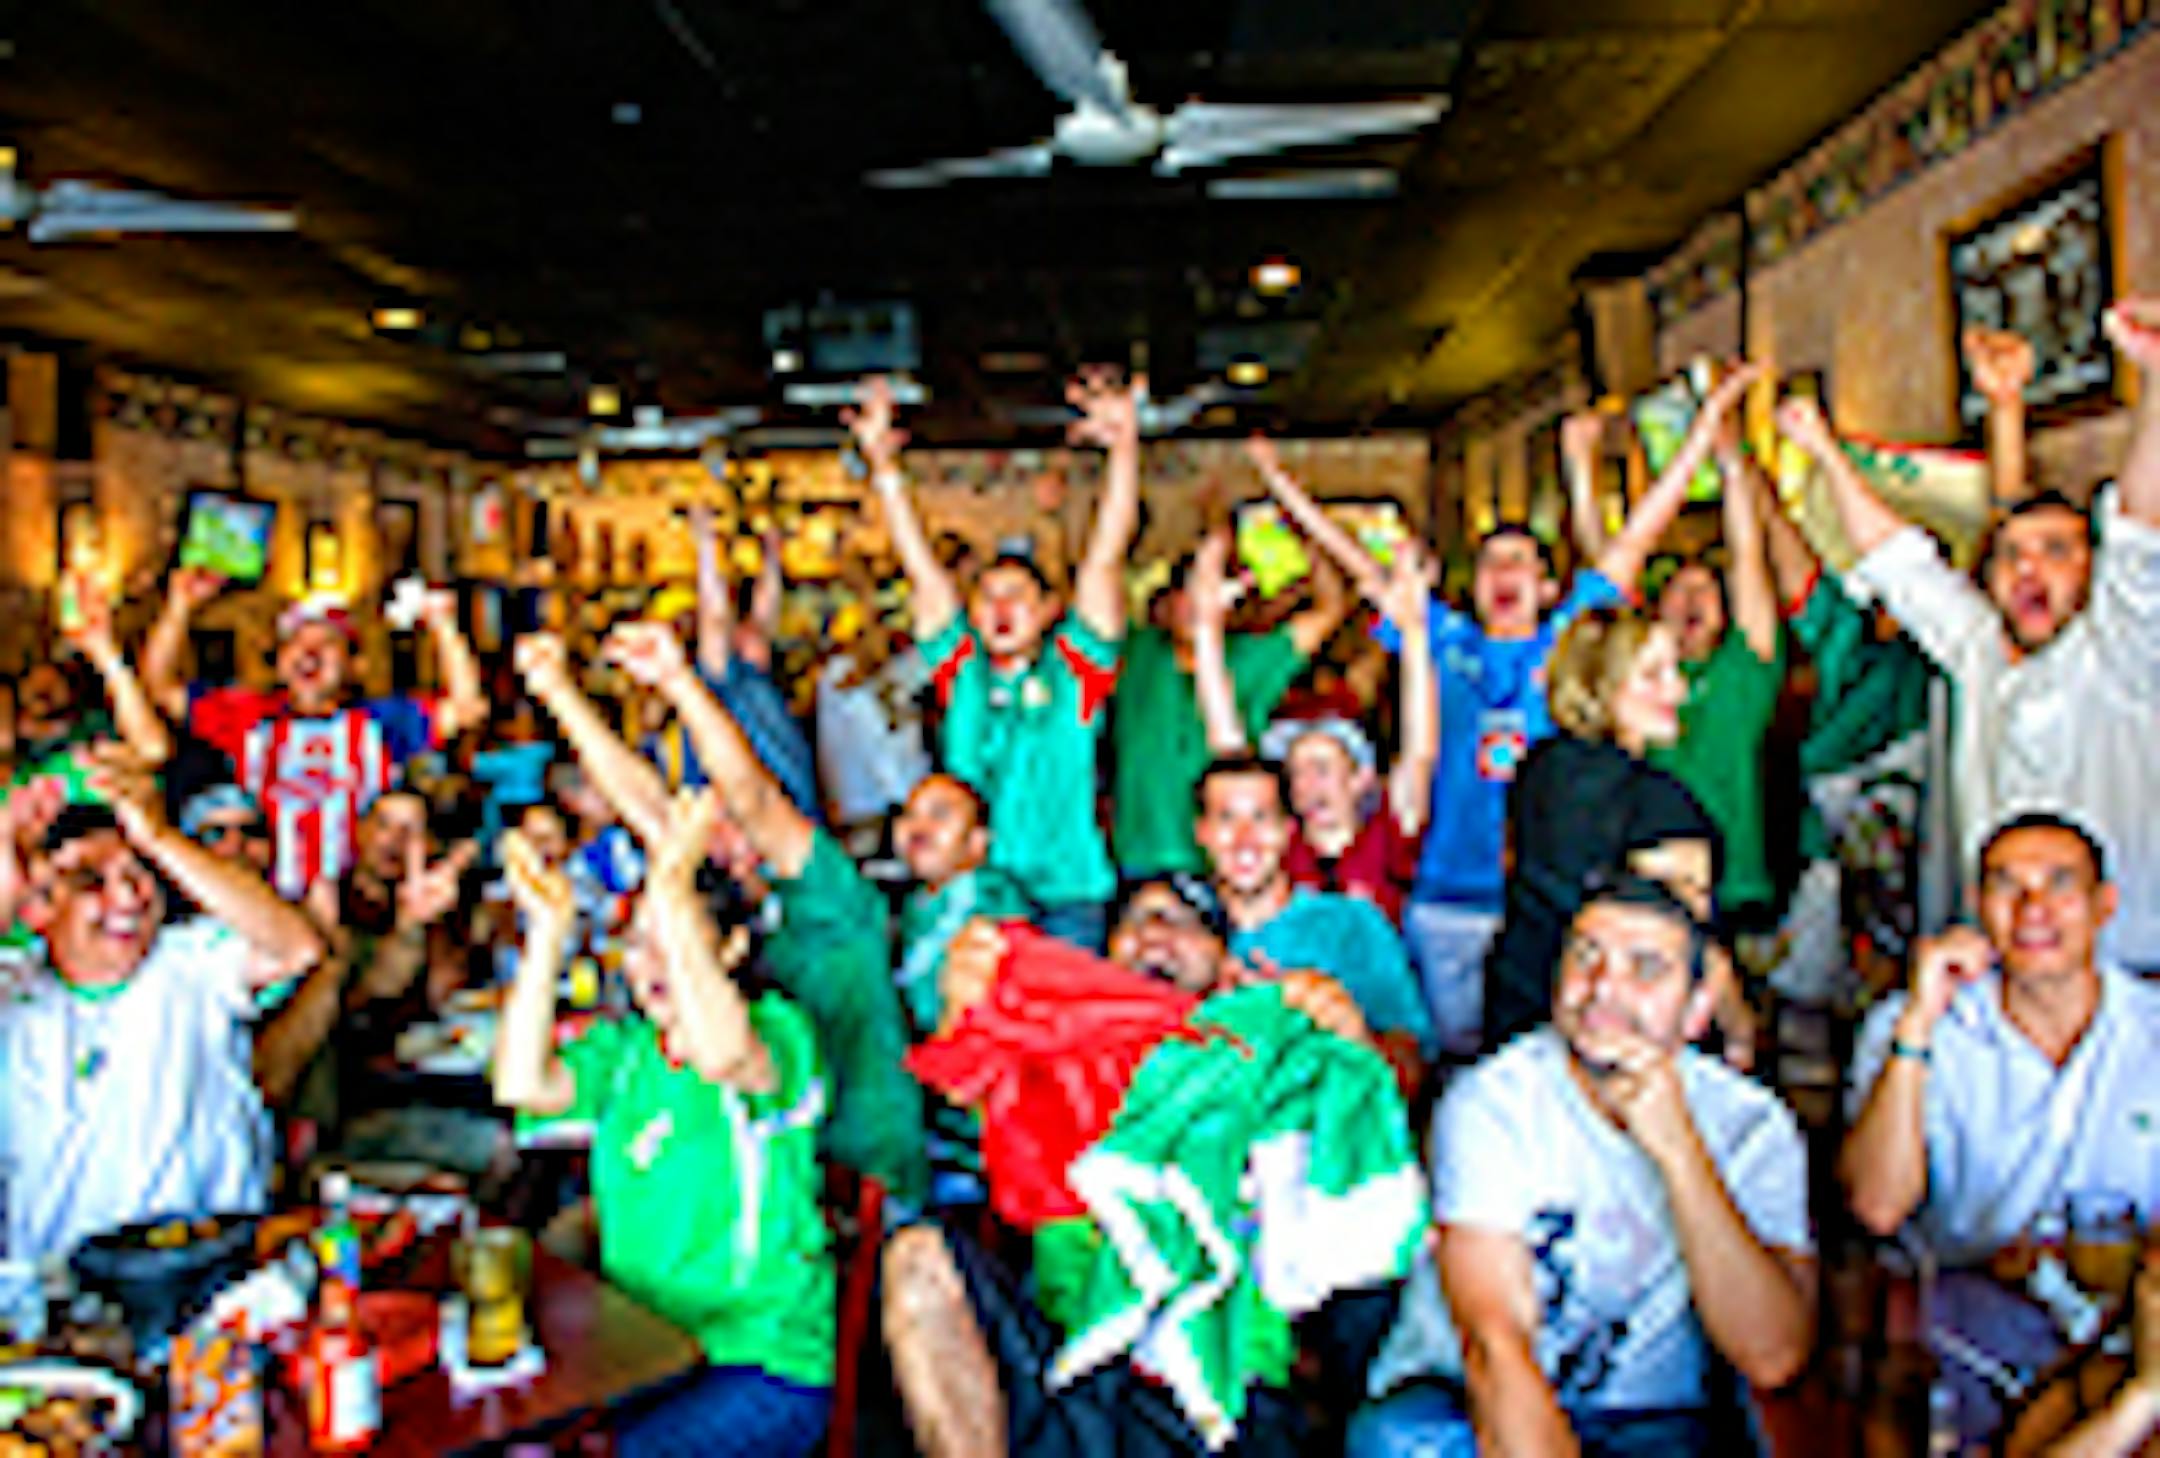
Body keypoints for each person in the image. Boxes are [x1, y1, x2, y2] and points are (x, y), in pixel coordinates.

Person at [1255, 365, 1762, 1054]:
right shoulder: (1448, 641)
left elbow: (1640, 533)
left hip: (1541, 907)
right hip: (1442, 896)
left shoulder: (1568, 641)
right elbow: (1365, 572)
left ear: (1549, 584)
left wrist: (1705, 431)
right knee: (1444, 1069)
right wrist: (1283, 488)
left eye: (1521, 562)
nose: (1504, 575)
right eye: (1492, 562)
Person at [883, 901, 1406, 1458]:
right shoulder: (1048, 1064)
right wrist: (970, 995)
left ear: (1229, 969)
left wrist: (1350, 1048)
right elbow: (962, 1075)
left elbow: (1368, 1212)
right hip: (1072, 1373)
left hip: (1218, 1399)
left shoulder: (1271, 1077)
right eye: (1134, 922)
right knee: (917, 1258)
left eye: (1182, 922)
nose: (1155, 934)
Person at [1356, 872, 1814, 1458]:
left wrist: (1679, 1152)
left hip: (1654, 1419)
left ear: (1698, 1009)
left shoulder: (1751, 1126)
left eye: (1645, 969)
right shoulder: (1493, 1104)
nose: (1603, 989)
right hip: (1465, 1402)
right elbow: (1495, 1346)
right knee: (1402, 1443)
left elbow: (1773, 1355)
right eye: (1585, 958)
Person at [1781, 297, 2160, 970]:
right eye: (2012, 556)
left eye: (2056, 551)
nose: (2027, 568)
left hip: (2129, 982)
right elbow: (1899, 564)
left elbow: (2138, 528)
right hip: (2003, 971)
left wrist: (2157, 378)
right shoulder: (1978, 650)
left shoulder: (2123, 650)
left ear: (2094, 575)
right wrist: (1822, 452)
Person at [519, 622, 928, 1205]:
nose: (724, 837)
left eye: (733, 825)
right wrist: (557, 690)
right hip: (766, 1168)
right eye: (709, 830)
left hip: (864, 1169)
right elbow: (641, 802)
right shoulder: (717, 903)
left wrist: (678, 680)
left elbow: (753, 797)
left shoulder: (829, 896)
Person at [494, 788, 833, 1457]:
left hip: (759, 1363)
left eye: (674, 939)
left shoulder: (780, 1034)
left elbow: (722, 1051)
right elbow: (520, 1082)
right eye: (638, 944)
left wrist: (672, 886)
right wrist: (547, 935)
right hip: (641, 1356)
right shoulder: (624, 1054)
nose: (651, 963)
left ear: (732, 948)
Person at [855, 370, 1144, 951]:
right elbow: (922, 571)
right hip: (978, 893)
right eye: (988, 597)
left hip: (1070, 898)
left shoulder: (1075, 671)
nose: (1001, 609)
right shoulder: (963, 670)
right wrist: (885, 472)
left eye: (1018, 597)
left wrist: (1125, 451)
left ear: (1048, 613)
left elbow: (1104, 560)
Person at [0, 748, 325, 1260]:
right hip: (62, 1302)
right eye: (91, 881)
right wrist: (7, 855)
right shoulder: (16, 990)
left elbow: (296, 948)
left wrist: (159, 835)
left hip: (214, 1281)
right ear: (39, 906)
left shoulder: (191, 961)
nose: (127, 899)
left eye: (138, 872)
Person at [1841, 813, 2160, 1260]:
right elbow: (1878, 1208)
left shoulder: (2149, 1025)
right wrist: (1916, 1025)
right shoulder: (1913, 1024)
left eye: (2060, 884)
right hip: (1959, 1322)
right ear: (1976, 904)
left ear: (2104, 905)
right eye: (2007, 887)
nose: (2033, 909)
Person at [142, 573, 488, 899]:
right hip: (263, 899)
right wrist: (180, 605)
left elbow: (466, 707)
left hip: (360, 903)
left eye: (327, 643)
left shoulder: (381, 723)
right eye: (296, 642)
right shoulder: (248, 718)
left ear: (356, 666)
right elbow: (159, 688)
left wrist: (443, 624)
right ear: (279, 663)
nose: (310, 651)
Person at [1744, 435, 1935, 1003]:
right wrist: (1749, 469)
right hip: (1833, 858)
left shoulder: (1953, 653)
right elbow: (1793, 562)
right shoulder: (1847, 637)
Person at [1482, 607, 1718, 1049]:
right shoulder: (1658, 802)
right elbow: (1680, 945)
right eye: (1653, 675)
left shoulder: (1537, 770)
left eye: (1674, 671)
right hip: (1612, 1033)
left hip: (1517, 1011)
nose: (1678, 689)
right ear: (1600, 685)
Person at [1109, 453, 1346, 878]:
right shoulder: (1138, 652)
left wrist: (1302, 535)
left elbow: (1330, 610)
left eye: (1209, 591)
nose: (1195, 603)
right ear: (1163, 604)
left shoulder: (1253, 655)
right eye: (1186, 593)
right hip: (1135, 858)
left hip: (1225, 864)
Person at [1193, 526, 1436, 925]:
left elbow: (1420, 750)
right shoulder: (1279, 844)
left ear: (1360, 779)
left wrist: (1414, 633)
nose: (1305, 784)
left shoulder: (1388, 833)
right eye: (1296, 771)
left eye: (1322, 769)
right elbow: (1226, 741)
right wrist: (1206, 629)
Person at [1615, 393, 1785, 931]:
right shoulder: (1632, 676)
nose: (1690, 602)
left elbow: (1748, 555)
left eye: (1705, 593)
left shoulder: (1743, 671)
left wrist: (1733, 466)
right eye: (1678, 592)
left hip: (1737, 884)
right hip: (1651, 880)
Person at [1193, 754, 1432, 1080]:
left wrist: (1345, 1027)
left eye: (1261, 818)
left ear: (1288, 831)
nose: (1244, 839)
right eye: (1226, 819)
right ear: (1202, 833)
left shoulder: (1352, 924)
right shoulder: (1183, 934)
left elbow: (1415, 1067)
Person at [647, 504, 822, 820]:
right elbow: (716, 618)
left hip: (775, 818)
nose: (753, 628)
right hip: (754, 824)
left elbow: (758, 618)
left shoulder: (746, 679)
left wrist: (771, 555)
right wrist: (706, 544)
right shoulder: (716, 683)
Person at [891, 772, 1030, 1037]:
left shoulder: (991, 899)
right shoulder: (915, 905)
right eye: (909, 815)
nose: (919, 826)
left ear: (977, 844)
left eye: (939, 815)